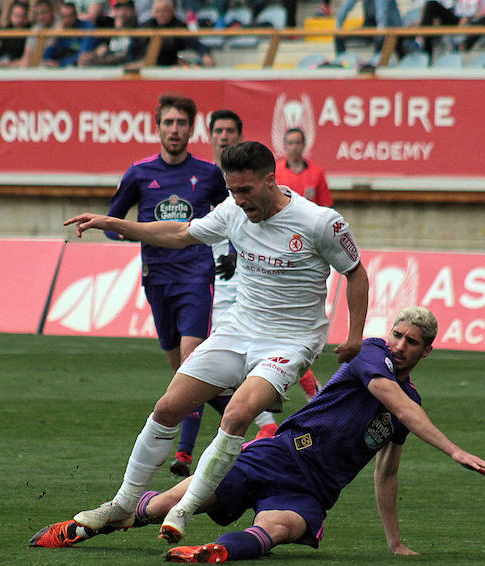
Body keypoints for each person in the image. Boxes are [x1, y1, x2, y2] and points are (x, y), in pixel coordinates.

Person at [63, 140, 369, 543]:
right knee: (169, 406)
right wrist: (116, 223)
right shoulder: (232, 212)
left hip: (290, 341)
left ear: (270, 181)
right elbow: (178, 232)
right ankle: (122, 503)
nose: (239, 200)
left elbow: (357, 274)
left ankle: (184, 508)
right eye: (232, 191)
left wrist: (355, 337)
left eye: (246, 191)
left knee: (237, 414)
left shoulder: (319, 223)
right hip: (238, 329)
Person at [32, 307, 485, 562]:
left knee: (280, 529)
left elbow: (387, 474)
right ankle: (85, 525)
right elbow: (392, 399)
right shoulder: (371, 355)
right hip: (275, 455)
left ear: (427, 351)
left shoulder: (410, 404)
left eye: (411, 342)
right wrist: (454, 449)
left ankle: (210, 553)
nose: (399, 345)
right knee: (162, 506)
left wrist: (395, 541)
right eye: (397, 335)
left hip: (313, 490)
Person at [168, 109, 279, 478]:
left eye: (231, 131)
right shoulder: (203, 175)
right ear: (211, 135)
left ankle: (188, 451)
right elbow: (196, 227)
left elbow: (248, 221)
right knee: (190, 369)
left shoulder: (236, 180)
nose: (224, 137)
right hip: (192, 275)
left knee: (197, 363)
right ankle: (267, 416)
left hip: (229, 280)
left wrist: (233, 254)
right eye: (219, 131)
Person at [103, 94, 226, 381]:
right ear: (157, 128)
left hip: (196, 275)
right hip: (157, 278)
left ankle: (215, 423)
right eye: (168, 122)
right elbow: (113, 222)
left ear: (191, 129)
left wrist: (231, 252)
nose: (175, 129)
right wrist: (137, 234)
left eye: (181, 123)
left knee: (190, 364)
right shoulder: (139, 173)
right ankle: (233, 409)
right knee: (179, 370)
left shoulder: (208, 174)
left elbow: (233, 217)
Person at [126, 0, 215, 67]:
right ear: (153, 12)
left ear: (173, 10)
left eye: (164, 11)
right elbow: (132, 48)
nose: (161, 14)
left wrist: (205, 55)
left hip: (169, 67)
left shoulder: (179, 27)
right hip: (143, 67)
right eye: (158, 11)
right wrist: (130, 63)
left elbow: (195, 44)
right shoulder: (145, 27)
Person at [417, 0, 485, 61]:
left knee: (484, 21)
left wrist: (468, 20)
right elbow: (452, 8)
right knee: (432, 5)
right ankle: (424, 40)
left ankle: (464, 46)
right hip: (458, 19)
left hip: (474, 20)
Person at [276, 128, 333, 209]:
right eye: (290, 143)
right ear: (284, 146)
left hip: (310, 220)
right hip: (283, 219)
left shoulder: (317, 172)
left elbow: (325, 205)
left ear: (304, 145)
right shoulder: (275, 171)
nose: (294, 147)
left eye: (297, 143)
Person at [78, 0, 137, 66]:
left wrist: (100, 61)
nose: (122, 13)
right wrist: (92, 55)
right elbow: (103, 48)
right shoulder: (109, 25)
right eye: (119, 9)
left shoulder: (139, 30)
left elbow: (126, 55)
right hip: (107, 60)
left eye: (126, 9)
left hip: (123, 65)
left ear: (133, 11)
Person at [41, 2, 96, 67]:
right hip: (63, 65)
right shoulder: (61, 29)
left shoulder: (87, 27)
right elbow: (46, 57)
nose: (67, 20)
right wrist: (54, 37)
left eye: (70, 16)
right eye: (63, 17)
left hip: (82, 65)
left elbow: (83, 54)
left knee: (83, 61)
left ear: (76, 15)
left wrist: (60, 64)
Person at [0, 0, 28, 66]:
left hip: (20, 69)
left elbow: (26, 60)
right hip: (3, 64)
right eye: (16, 16)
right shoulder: (6, 30)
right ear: (11, 16)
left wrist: (7, 65)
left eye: (22, 16)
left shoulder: (30, 31)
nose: (19, 20)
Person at [16, 0, 56, 67]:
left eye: (43, 13)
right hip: (39, 67)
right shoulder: (35, 29)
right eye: (37, 14)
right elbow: (27, 55)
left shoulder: (61, 25)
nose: (40, 17)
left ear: (52, 11)